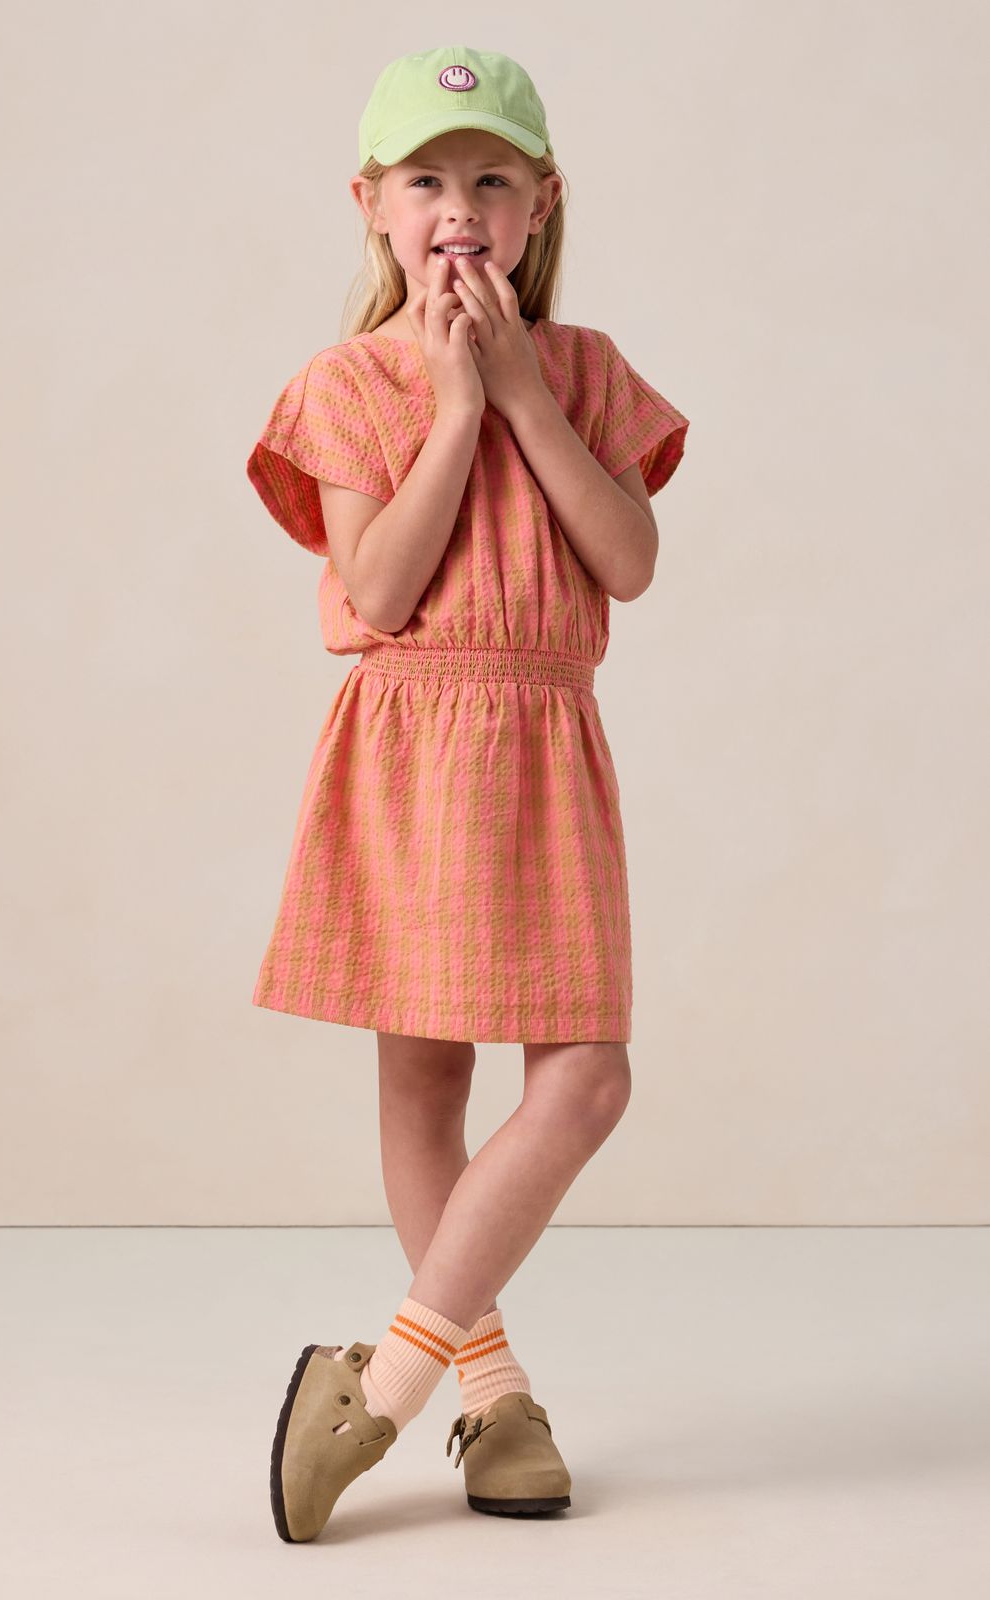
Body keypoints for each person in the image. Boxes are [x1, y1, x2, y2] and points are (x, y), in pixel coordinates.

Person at [246, 45, 690, 1543]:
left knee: (587, 1078)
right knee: (427, 1082)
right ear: (371, 204)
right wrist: (451, 408)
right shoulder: (347, 384)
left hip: (546, 742)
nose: (459, 209)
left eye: (492, 179)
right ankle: (495, 1398)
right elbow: (377, 588)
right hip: (413, 745)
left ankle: (379, 1386)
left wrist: (518, 394)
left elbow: (628, 561)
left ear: (539, 204)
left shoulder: (589, 370)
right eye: (426, 179)